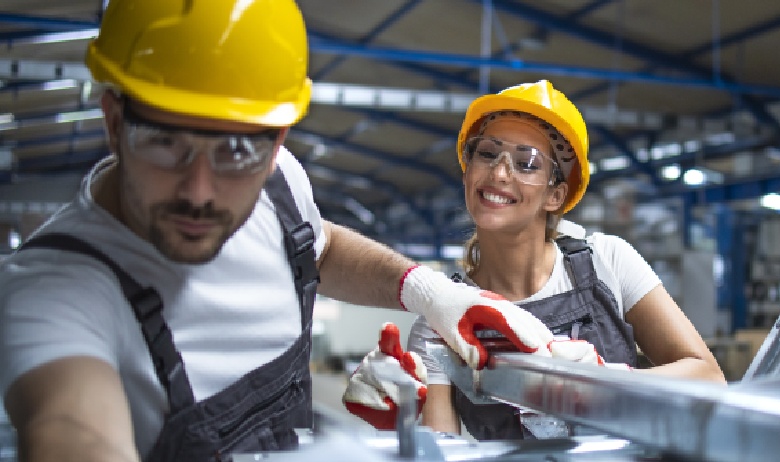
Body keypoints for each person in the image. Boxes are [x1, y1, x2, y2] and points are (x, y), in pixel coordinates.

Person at [0, 2, 557, 461]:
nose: (199, 190)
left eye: (237, 150)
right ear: (115, 122)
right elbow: (71, 426)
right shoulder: (53, 289)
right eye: (165, 142)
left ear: (278, 144)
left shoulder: (279, 185)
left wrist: (430, 293)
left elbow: (319, 246)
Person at [342, 80, 726, 440]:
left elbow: (708, 378)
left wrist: (604, 382)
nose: (498, 172)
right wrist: (408, 422)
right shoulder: (443, 319)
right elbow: (444, 451)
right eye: (487, 153)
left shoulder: (608, 262)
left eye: (526, 162)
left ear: (554, 196)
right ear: (466, 174)